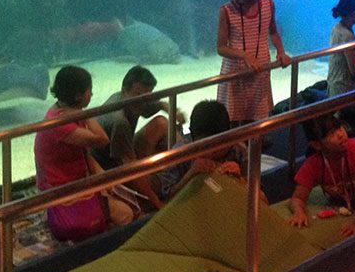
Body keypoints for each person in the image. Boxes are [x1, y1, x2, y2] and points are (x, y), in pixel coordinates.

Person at [34, 66, 135, 241]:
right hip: (63, 190)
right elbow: (102, 139)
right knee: (126, 215)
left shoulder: (62, 110)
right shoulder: (61, 122)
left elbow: (84, 153)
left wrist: (104, 181)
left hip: (80, 181)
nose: (92, 95)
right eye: (90, 91)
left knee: (128, 201)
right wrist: (86, 115)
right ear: (78, 96)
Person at [92, 65, 185, 211]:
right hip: (110, 171)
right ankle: (174, 181)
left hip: (122, 153)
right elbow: (130, 169)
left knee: (162, 122)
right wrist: (158, 204)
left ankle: (184, 162)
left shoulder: (129, 99)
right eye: (138, 95)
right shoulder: (119, 121)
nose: (142, 102)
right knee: (159, 183)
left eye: (146, 97)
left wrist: (165, 106)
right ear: (125, 90)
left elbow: (150, 106)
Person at [216, 0, 291, 127]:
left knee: (257, 117)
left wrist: (281, 52)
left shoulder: (268, 5)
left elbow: (273, 31)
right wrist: (244, 55)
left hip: (260, 69)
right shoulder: (227, 11)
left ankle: (255, 147)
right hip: (236, 73)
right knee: (234, 120)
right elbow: (221, 47)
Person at [287, 113, 355, 237]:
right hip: (349, 204)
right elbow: (297, 198)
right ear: (316, 144)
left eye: (339, 127)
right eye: (331, 134)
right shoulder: (314, 163)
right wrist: (299, 212)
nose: (340, 134)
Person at [157, 100, 247, 200]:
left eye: (218, 147)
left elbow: (259, 196)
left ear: (228, 136)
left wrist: (240, 180)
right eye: (205, 147)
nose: (212, 152)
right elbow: (167, 198)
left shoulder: (238, 150)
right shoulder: (181, 153)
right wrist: (190, 175)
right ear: (192, 137)